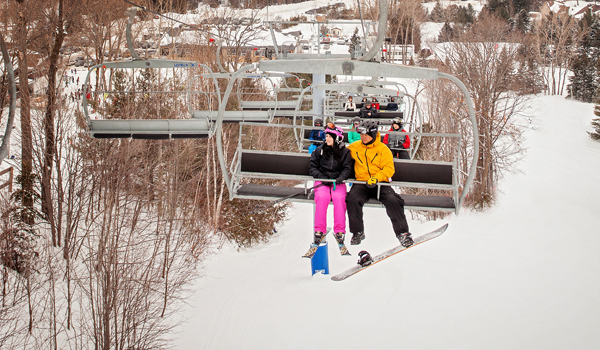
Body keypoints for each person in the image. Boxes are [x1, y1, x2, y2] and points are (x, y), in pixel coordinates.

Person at [346, 119, 413, 247]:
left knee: (393, 200)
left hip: (380, 182)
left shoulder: (383, 149)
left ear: (372, 135)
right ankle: (357, 231)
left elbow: (389, 169)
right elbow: (342, 153)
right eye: (361, 134)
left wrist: (376, 178)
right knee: (352, 199)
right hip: (362, 182)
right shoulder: (355, 147)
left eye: (365, 135)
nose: (363, 137)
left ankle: (402, 233)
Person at [309, 124, 354, 246]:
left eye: (330, 137)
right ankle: (319, 229)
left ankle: (340, 230)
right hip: (323, 181)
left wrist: (341, 178)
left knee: (339, 199)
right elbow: (313, 167)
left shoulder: (344, 152)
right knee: (322, 198)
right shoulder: (320, 151)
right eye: (327, 136)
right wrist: (321, 177)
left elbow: (347, 168)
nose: (327, 139)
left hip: (336, 182)